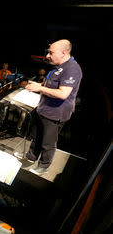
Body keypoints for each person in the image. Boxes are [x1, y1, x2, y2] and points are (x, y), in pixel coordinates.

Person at [24, 39, 82, 175]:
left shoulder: (72, 69)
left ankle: (44, 166)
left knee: (47, 142)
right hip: (44, 110)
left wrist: (39, 88)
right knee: (37, 136)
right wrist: (38, 87)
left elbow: (63, 94)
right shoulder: (58, 67)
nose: (48, 56)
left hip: (55, 114)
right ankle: (31, 157)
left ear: (63, 53)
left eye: (51, 52)